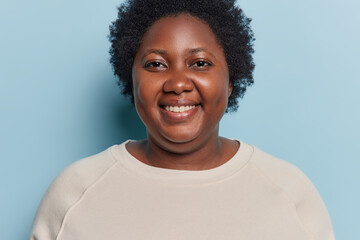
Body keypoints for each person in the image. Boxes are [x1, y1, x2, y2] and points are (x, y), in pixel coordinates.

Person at [30, 0, 335, 239]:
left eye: (200, 63)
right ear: (131, 79)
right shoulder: (74, 192)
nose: (177, 83)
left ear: (230, 81)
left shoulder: (289, 192)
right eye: (156, 64)